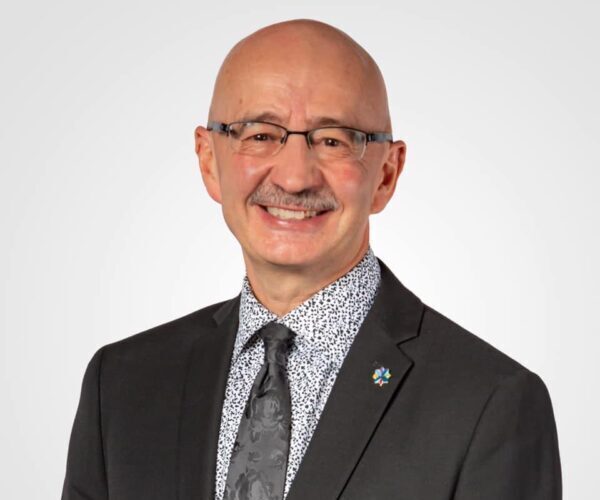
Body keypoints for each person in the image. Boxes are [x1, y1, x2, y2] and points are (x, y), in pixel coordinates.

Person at [61, 19, 562, 500]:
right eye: (260, 134)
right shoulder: (121, 385)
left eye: (333, 140)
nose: (295, 177)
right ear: (209, 161)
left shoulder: (490, 404)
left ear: (386, 174)